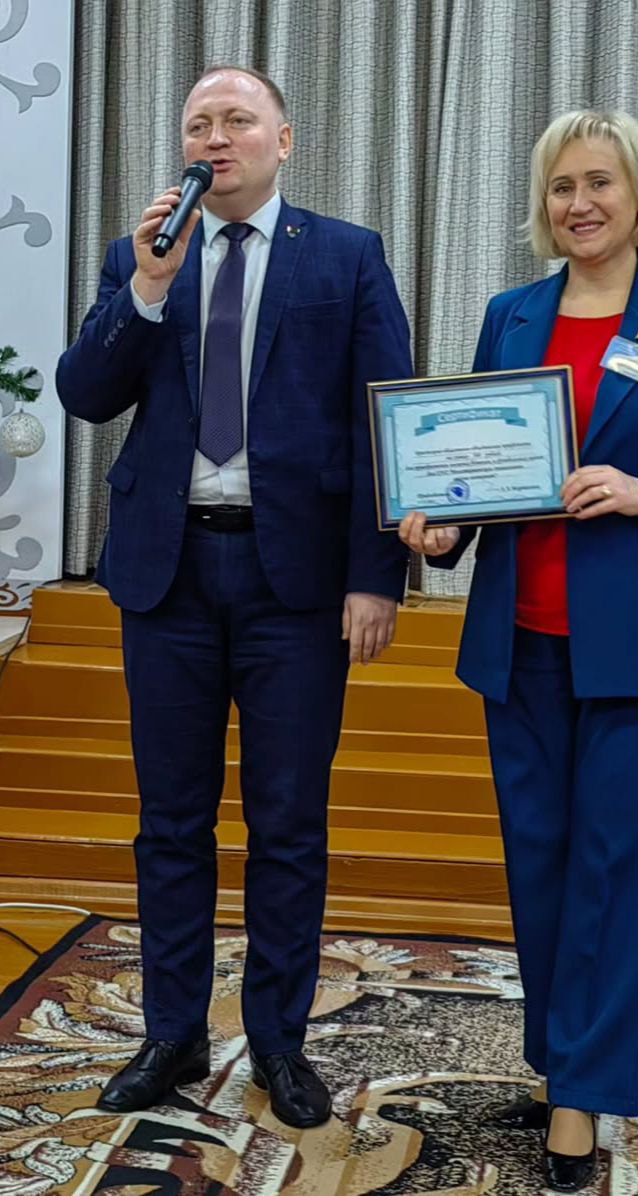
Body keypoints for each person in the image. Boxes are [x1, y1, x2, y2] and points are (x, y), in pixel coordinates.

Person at [400, 110, 638, 1193]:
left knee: (620, 872)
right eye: (563, 185)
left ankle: (582, 1097)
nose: (580, 203)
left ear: (637, 194)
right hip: (520, 643)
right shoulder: (511, 315)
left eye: (600, 182)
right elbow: (478, 467)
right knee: (543, 867)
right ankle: (562, 1059)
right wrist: (441, 525)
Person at [57, 65, 411, 1128]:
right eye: (198, 123)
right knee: (170, 821)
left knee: (288, 822)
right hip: (167, 575)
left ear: (282, 140)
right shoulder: (141, 256)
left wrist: (375, 574)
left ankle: (279, 1041)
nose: (215, 138)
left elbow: (382, 417)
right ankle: (171, 1032)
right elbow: (85, 393)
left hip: (293, 582)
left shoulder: (345, 255)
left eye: (237, 120)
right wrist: (145, 289)